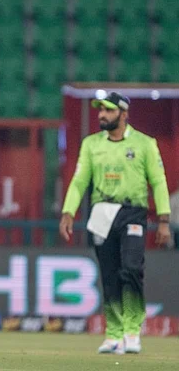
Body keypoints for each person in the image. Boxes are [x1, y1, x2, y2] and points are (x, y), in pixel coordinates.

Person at [59, 91, 172, 355]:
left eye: (108, 110)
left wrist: (164, 219)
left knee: (131, 269)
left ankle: (132, 331)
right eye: (100, 110)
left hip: (132, 212)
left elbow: (158, 181)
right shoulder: (91, 144)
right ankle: (113, 334)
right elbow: (78, 181)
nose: (101, 115)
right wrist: (68, 212)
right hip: (101, 212)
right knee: (109, 274)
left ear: (123, 113)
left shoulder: (145, 143)